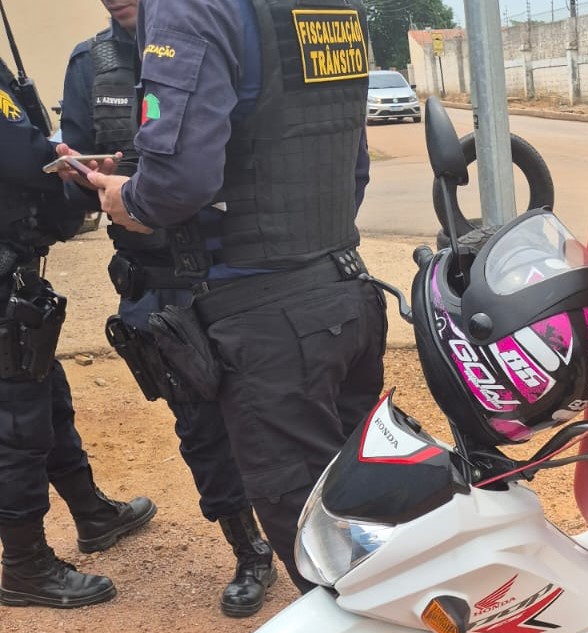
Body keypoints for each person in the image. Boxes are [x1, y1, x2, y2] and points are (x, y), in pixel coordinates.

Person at [62, 0, 386, 592]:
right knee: (363, 496)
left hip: (262, 311)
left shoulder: (189, 6)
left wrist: (129, 200)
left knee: (315, 539)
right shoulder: (329, 5)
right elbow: (350, 161)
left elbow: (179, 182)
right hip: (341, 285)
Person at [60, 0, 277, 618]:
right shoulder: (89, 64)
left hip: (235, 268)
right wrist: (91, 176)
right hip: (154, 283)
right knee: (199, 426)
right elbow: (74, 170)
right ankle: (248, 550)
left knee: (272, 412)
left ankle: (317, 543)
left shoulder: (222, 31)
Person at [1, 53, 155, 609]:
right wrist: (64, 162)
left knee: (41, 391)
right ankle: (23, 564)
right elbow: (19, 151)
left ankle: (91, 513)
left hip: (14, 273)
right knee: (16, 421)